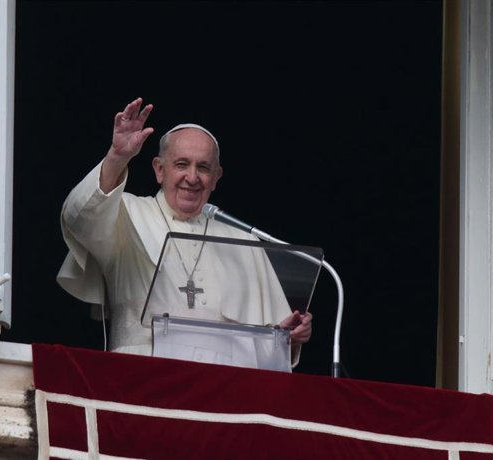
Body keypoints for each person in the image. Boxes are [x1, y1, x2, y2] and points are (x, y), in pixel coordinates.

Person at [57, 97, 312, 364]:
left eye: (203, 167)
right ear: (159, 169)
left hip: (225, 390)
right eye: (181, 164)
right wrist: (117, 158)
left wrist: (287, 338)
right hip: (141, 380)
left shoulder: (243, 241)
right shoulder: (126, 214)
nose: (192, 177)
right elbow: (79, 217)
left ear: (216, 177)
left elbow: (269, 350)